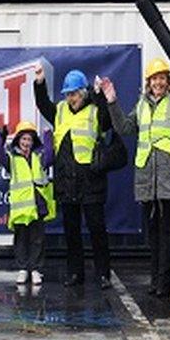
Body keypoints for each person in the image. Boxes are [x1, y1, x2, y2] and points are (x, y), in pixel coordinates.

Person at [100, 59, 170, 299]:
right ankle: (155, 279)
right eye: (154, 79)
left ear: (168, 81)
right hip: (146, 178)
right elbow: (124, 127)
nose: (158, 83)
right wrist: (112, 102)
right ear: (149, 82)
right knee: (153, 232)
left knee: (168, 231)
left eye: (162, 78)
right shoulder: (141, 105)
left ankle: (166, 282)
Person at [33, 66, 114, 289]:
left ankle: (103, 274)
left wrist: (101, 96)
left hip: (91, 181)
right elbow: (42, 105)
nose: (71, 98)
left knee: (97, 229)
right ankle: (75, 273)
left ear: (84, 92)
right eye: (68, 94)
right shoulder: (59, 110)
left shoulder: (95, 109)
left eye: (74, 93)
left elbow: (107, 122)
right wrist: (39, 83)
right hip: (66, 181)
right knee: (72, 231)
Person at [0, 121, 55, 286]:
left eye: (29, 140)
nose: (26, 143)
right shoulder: (12, 159)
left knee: (38, 239)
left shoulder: (39, 156)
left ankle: (35, 269)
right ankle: (22, 268)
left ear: (33, 141)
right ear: (17, 141)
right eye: (23, 140)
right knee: (21, 238)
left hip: (38, 204)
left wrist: (48, 137)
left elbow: (50, 156)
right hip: (21, 207)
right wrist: (0, 136)